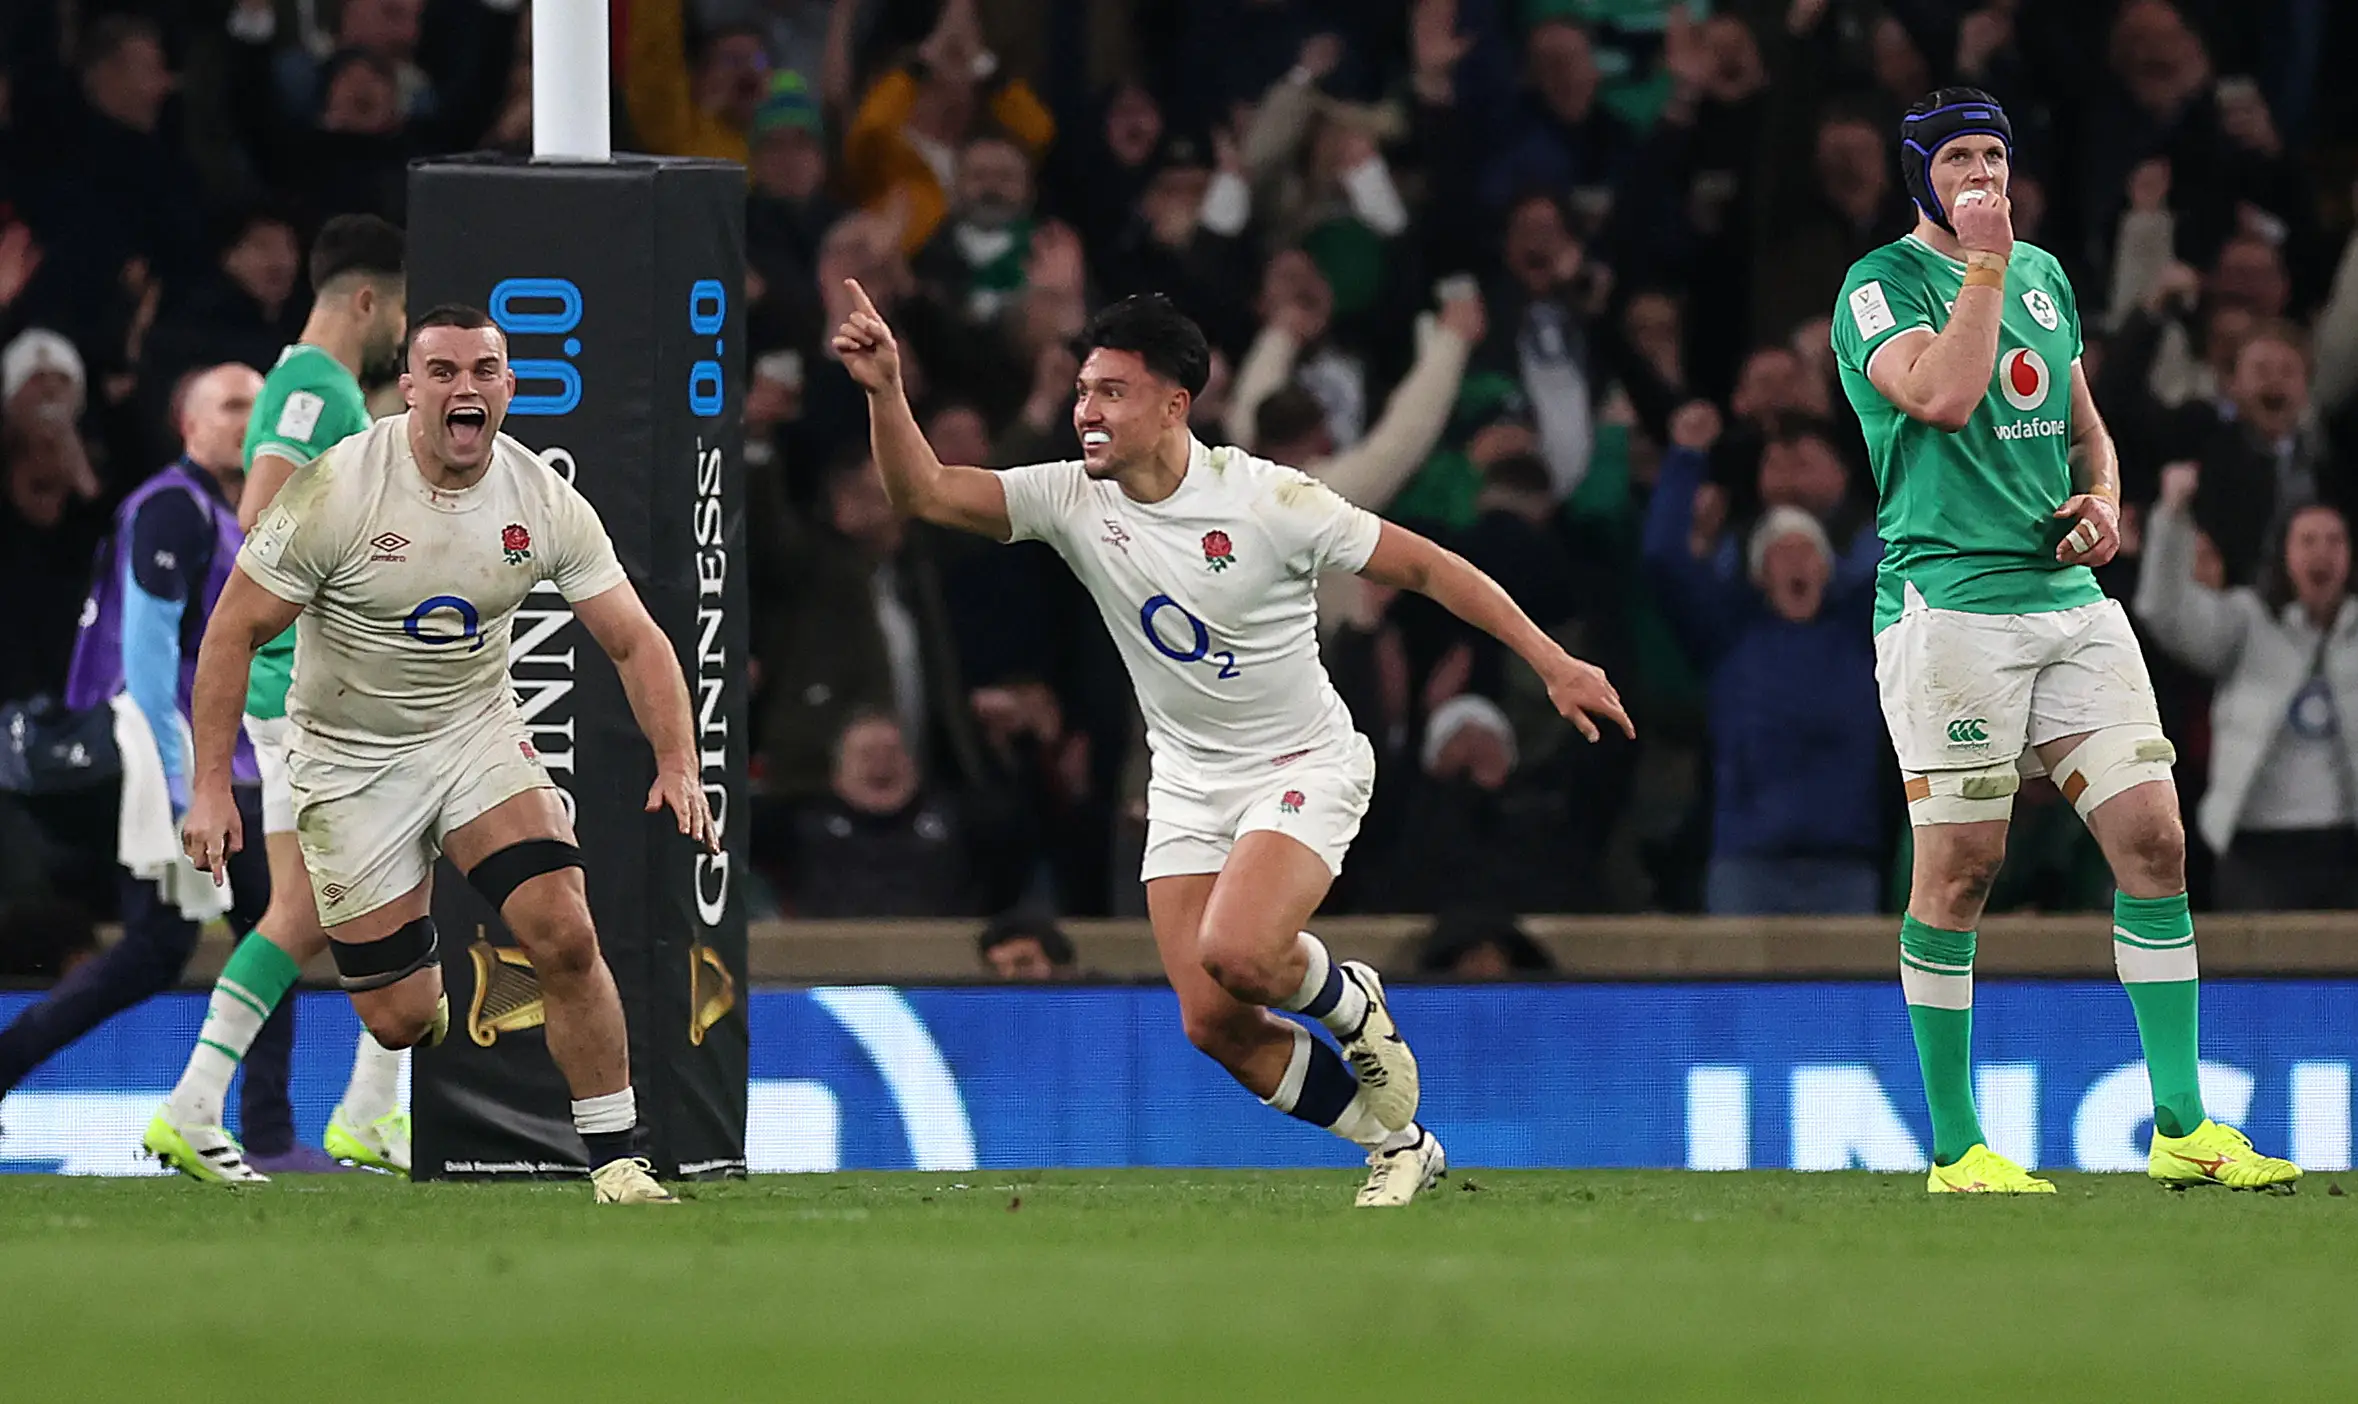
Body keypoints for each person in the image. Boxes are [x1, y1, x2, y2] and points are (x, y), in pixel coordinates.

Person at [833, 283, 1632, 1206]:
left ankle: (1349, 998)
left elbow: (1425, 566)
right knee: (1213, 1021)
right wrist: (886, 390)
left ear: (1175, 405)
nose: (1087, 411)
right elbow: (922, 491)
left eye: (1112, 393)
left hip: (1304, 765)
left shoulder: (1268, 500)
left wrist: (1553, 660)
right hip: (1187, 782)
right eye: (1083, 392)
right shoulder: (1069, 497)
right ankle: (1398, 1144)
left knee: (1243, 952)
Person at [1831, 88, 2299, 1192]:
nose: (1984, 174)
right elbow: (1942, 398)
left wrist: (2108, 501)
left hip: (2070, 603)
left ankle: (2183, 1127)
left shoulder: (2040, 276)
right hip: (1948, 606)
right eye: (1959, 160)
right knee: (1962, 869)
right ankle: (1956, 1149)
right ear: (1920, 179)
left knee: (2156, 844)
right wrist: (1982, 268)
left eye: (1995, 153)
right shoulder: (1877, 288)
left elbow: (2091, 431)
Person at [179, 305, 719, 1205]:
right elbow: (232, 630)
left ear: (508, 388)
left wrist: (679, 762)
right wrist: (210, 788)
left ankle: (618, 1159)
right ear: (408, 389)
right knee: (396, 1022)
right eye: (443, 371)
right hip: (349, 759)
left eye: (484, 371)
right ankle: (407, 940)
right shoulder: (337, 489)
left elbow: (635, 640)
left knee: (564, 928)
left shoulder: (540, 497)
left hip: (473, 734)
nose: (464, 387)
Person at [146, 214, 414, 1183]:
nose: (402, 337)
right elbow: (264, 510)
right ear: (368, 300)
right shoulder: (313, 386)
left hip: (309, 688)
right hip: (306, 691)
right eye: (401, 313)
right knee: (358, 882)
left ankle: (229, 1106)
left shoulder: (319, 384)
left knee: (313, 905)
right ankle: (358, 1109)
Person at [0, 368, 305, 1150]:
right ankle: (268, 1133)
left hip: (222, 763)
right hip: (178, 761)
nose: (249, 418)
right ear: (186, 424)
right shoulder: (175, 506)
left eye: (258, 405)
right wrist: (185, 790)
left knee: (164, 949)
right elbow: (145, 652)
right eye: (231, 405)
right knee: (274, 928)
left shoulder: (241, 513)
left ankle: (263, 1129)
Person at [2137, 468, 2358, 909]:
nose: (2323, 554)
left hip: (2346, 842)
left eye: (2334, 541)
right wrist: (2172, 517)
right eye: (2308, 541)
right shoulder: (2247, 622)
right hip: (2256, 846)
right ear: (2284, 555)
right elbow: (2165, 612)